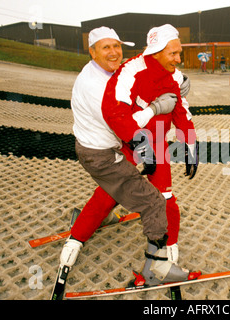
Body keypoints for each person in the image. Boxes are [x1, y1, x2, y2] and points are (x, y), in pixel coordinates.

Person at [60, 26, 191, 285]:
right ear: (92, 52)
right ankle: (157, 265)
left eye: (117, 46)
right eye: (106, 47)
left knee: (134, 192)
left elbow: (146, 72)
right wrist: (157, 106)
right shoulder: (97, 88)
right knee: (147, 198)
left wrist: (177, 79)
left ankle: (93, 224)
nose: (114, 53)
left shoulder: (110, 71)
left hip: (121, 144)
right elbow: (126, 122)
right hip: (113, 149)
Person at [102, 24, 199, 285]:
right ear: (157, 51)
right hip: (132, 140)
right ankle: (80, 233)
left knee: (166, 198)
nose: (179, 59)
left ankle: (168, 253)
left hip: (157, 141)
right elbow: (113, 112)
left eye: (180, 53)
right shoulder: (132, 70)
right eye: (174, 53)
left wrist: (189, 143)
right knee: (111, 191)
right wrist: (138, 143)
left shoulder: (174, 75)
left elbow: (181, 111)